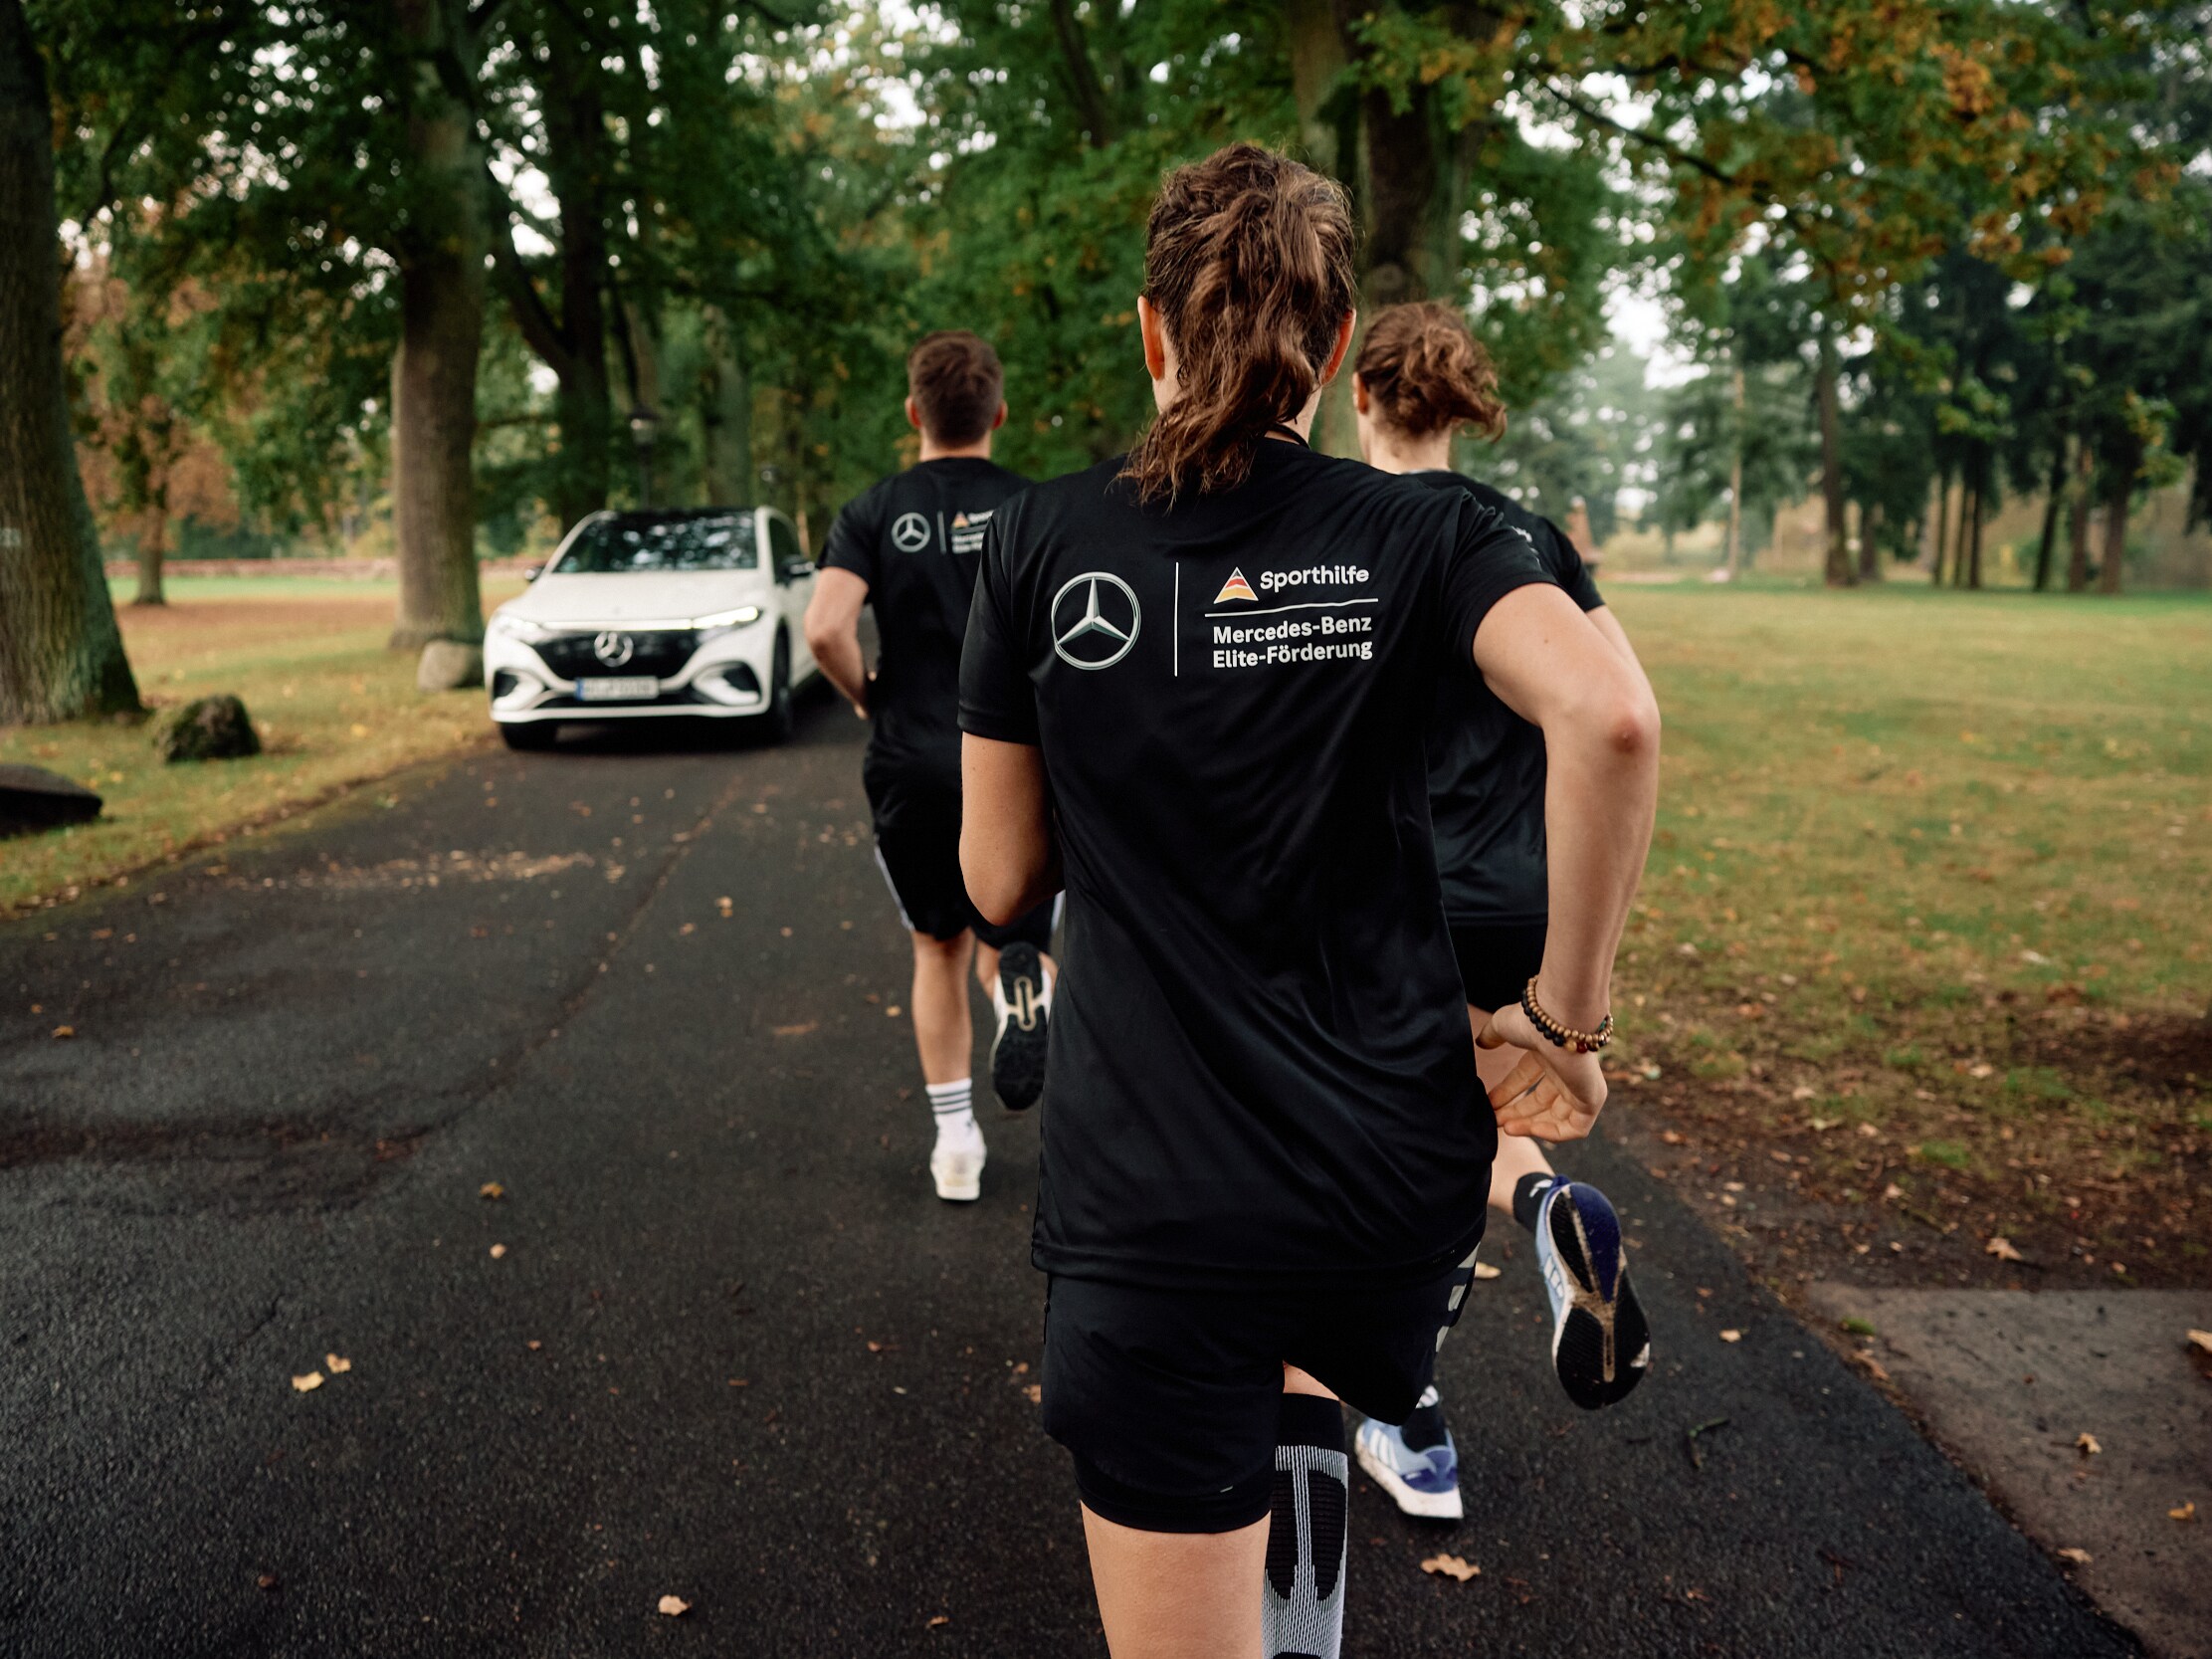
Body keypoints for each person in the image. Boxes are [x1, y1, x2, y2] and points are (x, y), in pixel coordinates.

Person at [957, 144, 1660, 1659]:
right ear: (1331, 346)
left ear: (1151, 330)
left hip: (1148, 1202)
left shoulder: (1034, 540)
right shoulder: (1432, 530)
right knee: (1302, 1361)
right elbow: (1611, 716)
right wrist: (1565, 1022)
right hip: (1375, 1187)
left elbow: (998, 880)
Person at [1344, 302, 1657, 1522]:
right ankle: (1546, 1204)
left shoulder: (1338, 531)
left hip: (1388, 892)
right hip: (1519, 899)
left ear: (1357, 392)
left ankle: (1409, 1419)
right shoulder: (1523, 539)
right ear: (1458, 406)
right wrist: (1583, 994)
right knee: (1471, 1106)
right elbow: (1624, 705)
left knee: (1375, 1155)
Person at [804, 330, 1057, 1204]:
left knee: (936, 945)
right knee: (1013, 935)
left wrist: (866, 694)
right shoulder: (1034, 507)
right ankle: (1021, 993)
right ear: (999, 413)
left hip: (911, 757)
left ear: (914, 412)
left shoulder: (873, 510)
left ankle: (955, 1147)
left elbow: (824, 627)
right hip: (1017, 762)